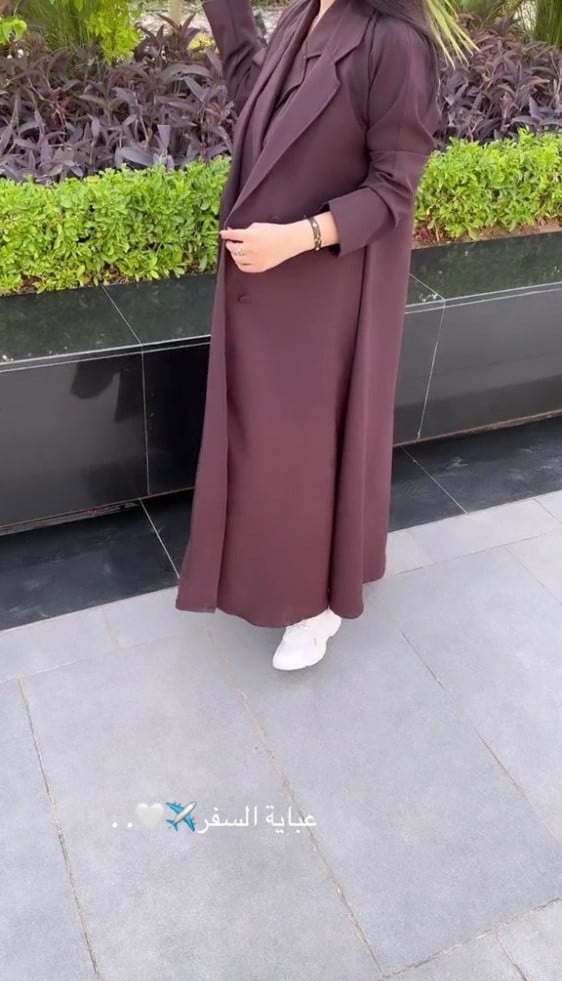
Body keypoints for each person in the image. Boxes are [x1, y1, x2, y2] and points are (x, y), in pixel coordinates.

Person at [176, 0, 442, 670]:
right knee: (266, 442)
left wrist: (297, 238)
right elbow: (260, 101)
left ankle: (320, 601)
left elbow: (395, 187)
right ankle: (272, 575)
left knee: (309, 446)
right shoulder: (304, 16)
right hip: (268, 286)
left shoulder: (395, 42)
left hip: (328, 294)